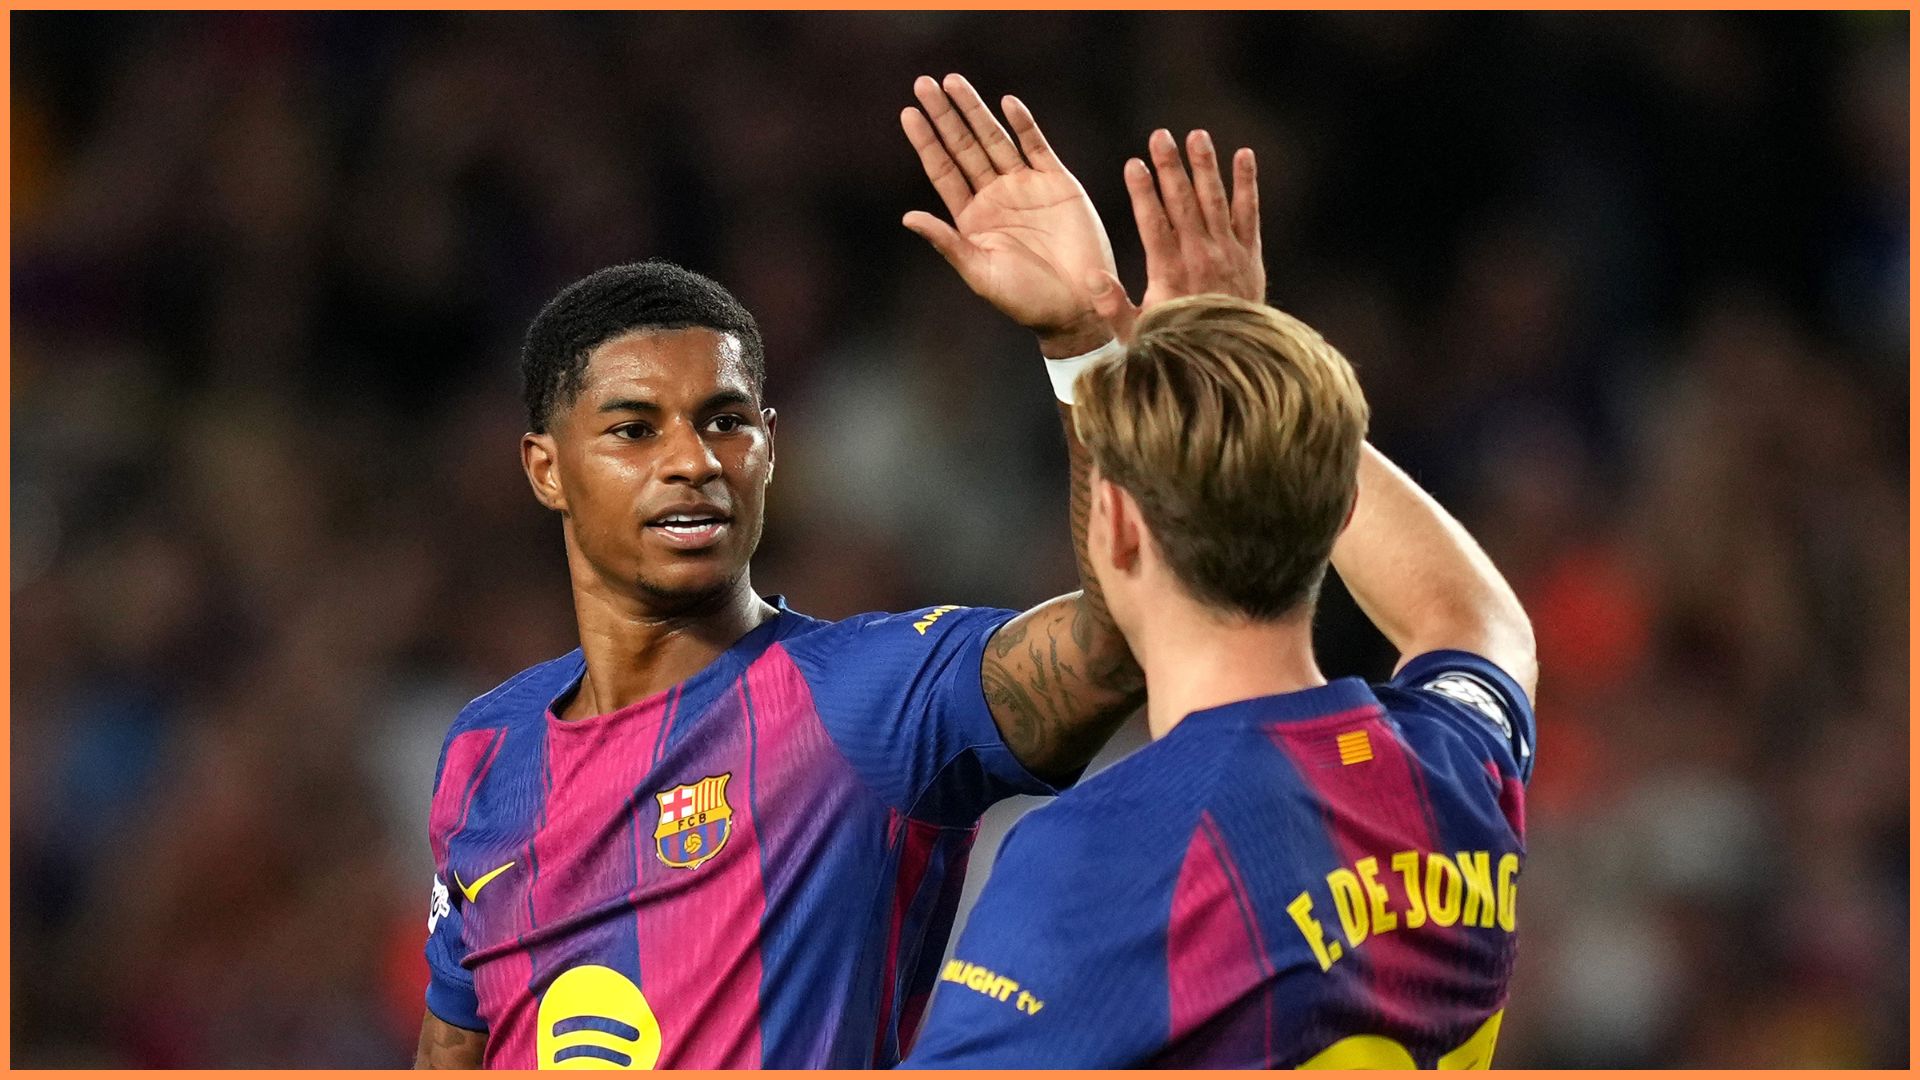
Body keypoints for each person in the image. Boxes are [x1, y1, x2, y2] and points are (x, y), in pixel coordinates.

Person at [412, 75, 1148, 1069]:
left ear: (768, 447)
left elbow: (1120, 638)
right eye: (634, 429)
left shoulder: (870, 701)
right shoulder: (484, 752)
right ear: (547, 469)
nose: (693, 459)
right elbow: (451, 1051)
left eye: (726, 422)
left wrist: (1081, 343)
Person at [900, 127, 1537, 1069]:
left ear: (1114, 525)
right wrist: (1246, 367)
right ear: (1331, 506)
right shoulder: (1454, 768)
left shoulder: (1101, 862)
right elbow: (1472, 616)